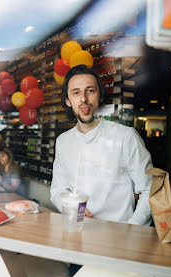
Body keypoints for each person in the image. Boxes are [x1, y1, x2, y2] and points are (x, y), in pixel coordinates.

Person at [50, 65, 153, 226]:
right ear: (68, 101)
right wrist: (69, 205)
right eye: (76, 93)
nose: (83, 99)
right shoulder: (63, 141)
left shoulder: (126, 136)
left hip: (119, 237)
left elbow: (149, 190)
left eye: (90, 91)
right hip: (77, 231)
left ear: (100, 96)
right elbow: (57, 191)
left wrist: (132, 230)